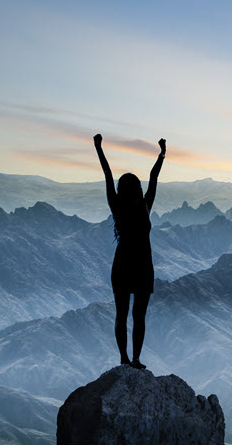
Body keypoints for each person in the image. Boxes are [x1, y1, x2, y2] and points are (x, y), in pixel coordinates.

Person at [94, 133, 165, 369]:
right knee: (137, 316)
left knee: (123, 315)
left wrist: (99, 148)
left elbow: (107, 173)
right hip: (143, 266)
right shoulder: (145, 206)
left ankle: (126, 359)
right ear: (137, 188)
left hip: (123, 266)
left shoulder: (117, 206)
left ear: (121, 189)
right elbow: (154, 177)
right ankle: (133, 359)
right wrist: (161, 154)